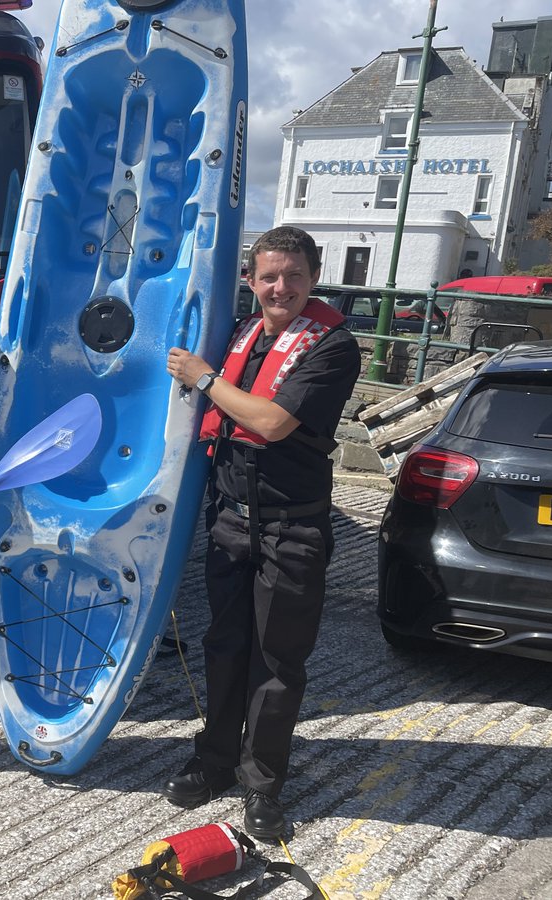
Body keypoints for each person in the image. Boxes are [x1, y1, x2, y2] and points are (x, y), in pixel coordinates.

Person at [163, 226, 360, 842]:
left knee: (277, 663)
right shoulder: (240, 333)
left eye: (294, 275)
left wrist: (203, 377)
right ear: (250, 280)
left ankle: (263, 783)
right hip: (229, 517)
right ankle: (216, 759)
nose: (281, 287)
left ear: (314, 278)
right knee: (224, 645)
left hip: (291, 526)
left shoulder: (333, 346)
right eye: (269, 276)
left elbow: (272, 422)